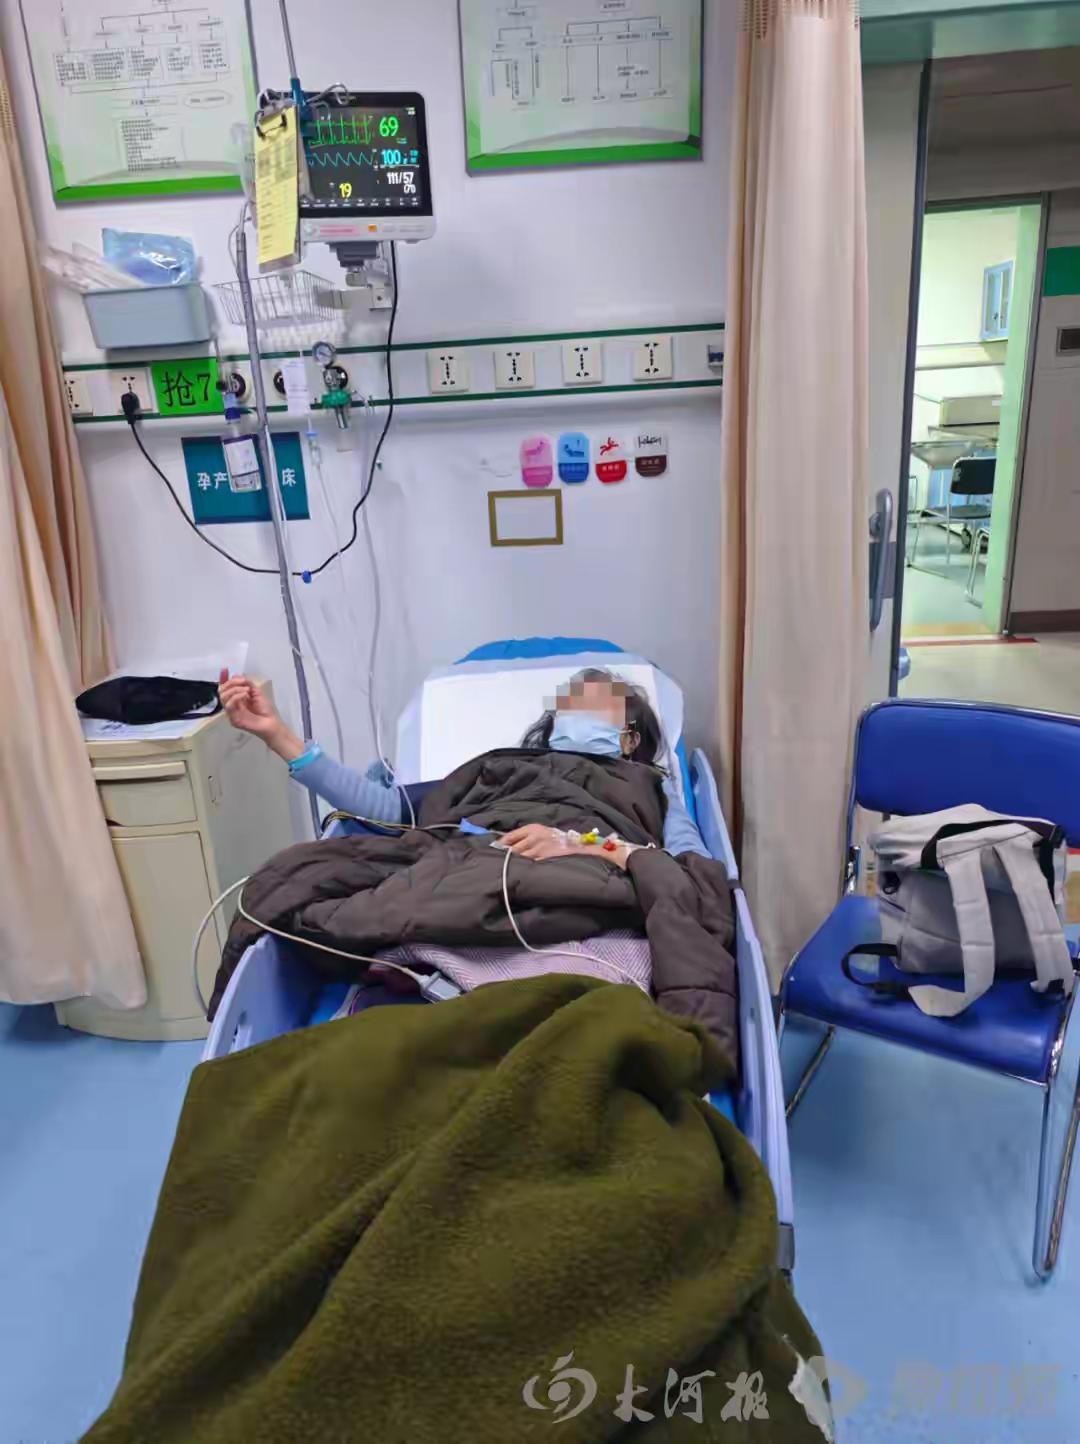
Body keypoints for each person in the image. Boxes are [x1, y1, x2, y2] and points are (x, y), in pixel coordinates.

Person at [218, 666, 708, 863]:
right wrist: (277, 735)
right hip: (470, 870)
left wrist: (580, 845)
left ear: (629, 738)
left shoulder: (651, 787)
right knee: (297, 873)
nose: (575, 709)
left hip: (588, 887)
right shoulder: (502, 768)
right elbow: (387, 810)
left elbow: (690, 868)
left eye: (594, 705)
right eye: (569, 705)